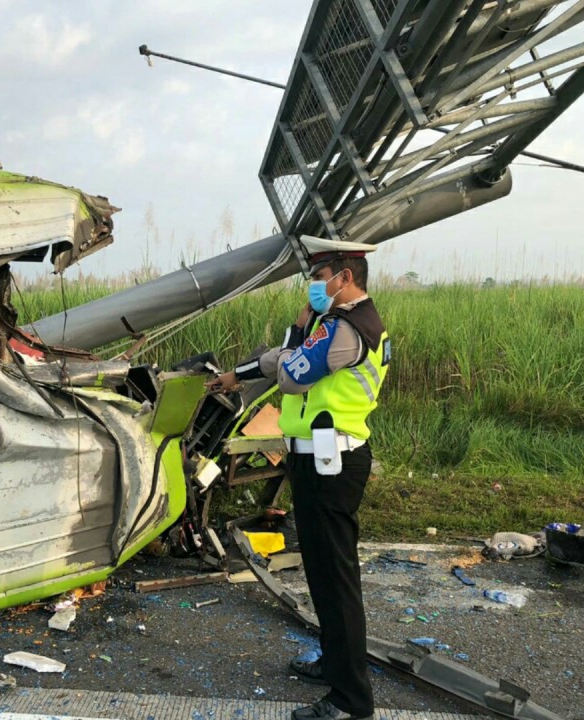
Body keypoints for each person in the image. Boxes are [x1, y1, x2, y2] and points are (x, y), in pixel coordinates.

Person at [206, 236, 390, 720]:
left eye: (318, 275)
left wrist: (292, 343)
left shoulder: (348, 330)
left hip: (332, 463)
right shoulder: (334, 323)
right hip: (315, 460)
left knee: (335, 577)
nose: (312, 284)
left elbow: (290, 375)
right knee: (323, 573)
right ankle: (334, 663)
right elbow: (282, 357)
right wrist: (239, 373)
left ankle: (352, 701)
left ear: (343, 277)